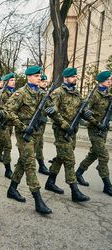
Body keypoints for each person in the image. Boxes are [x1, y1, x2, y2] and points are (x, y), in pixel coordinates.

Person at [0, 66, 68, 214]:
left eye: (40, 76)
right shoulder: (20, 93)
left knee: (23, 162)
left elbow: (53, 111)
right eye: (36, 76)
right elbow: (7, 111)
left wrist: (64, 124)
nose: (39, 78)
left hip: (37, 134)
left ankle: (12, 189)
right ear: (28, 77)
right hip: (24, 134)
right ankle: (38, 200)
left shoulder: (43, 93)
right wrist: (22, 126)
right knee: (30, 164)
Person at [45, 67, 91, 202]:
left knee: (61, 157)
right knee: (69, 159)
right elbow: (53, 111)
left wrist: (86, 112)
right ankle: (74, 190)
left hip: (73, 131)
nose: (76, 78)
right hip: (61, 131)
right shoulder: (57, 93)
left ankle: (50, 182)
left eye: (76, 76)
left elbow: (83, 106)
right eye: (73, 76)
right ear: (66, 78)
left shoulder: (76, 93)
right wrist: (65, 125)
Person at [76, 70, 112, 196]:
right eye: (108, 79)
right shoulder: (94, 95)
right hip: (95, 129)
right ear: (102, 81)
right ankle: (107, 185)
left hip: (104, 128)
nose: (110, 81)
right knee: (103, 155)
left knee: (94, 154)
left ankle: (78, 173)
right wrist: (96, 123)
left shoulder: (108, 95)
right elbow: (85, 111)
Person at [35, 74, 50, 175]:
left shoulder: (45, 93)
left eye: (46, 82)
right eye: (43, 81)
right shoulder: (38, 93)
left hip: (42, 123)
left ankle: (41, 165)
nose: (45, 83)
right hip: (36, 123)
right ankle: (41, 165)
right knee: (36, 144)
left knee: (39, 144)